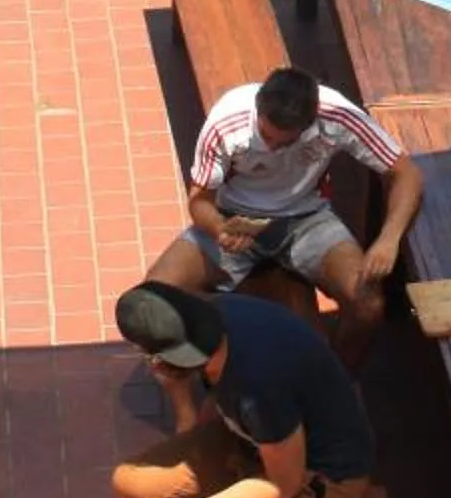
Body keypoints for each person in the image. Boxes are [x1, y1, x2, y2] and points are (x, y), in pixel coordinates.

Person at [22, 280, 373, 498]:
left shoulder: (259, 389)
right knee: (130, 480)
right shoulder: (213, 319)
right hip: (255, 445)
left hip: (318, 484)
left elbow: (281, 485)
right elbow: (216, 406)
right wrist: (182, 401)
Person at [144, 63, 422, 355]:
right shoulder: (226, 123)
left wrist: (388, 239)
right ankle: (216, 352)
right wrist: (219, 229)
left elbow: (406, 173)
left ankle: (334, 373)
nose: (272, 147)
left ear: (311, 122)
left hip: (307, 219)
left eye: (285, 141)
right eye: (266, 135)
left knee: (368, 305)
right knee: (157, 294)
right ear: (258, 108)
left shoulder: (338, 115)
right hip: (233, 216)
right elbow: (199, 200)